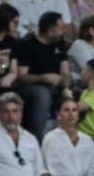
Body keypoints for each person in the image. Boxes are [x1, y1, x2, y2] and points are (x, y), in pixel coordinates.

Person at [14, 11, 72, 139]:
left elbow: (65, 72)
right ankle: (36, 140)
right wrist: (43, 78)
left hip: (55, 87)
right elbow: (21, 76)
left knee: (82, 94)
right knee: (42, 95)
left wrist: (65, 85)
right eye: (61, 28)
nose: (64, 31)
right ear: (50, 31)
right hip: (31, 87)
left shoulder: (59, 42)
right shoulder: (27, 44)